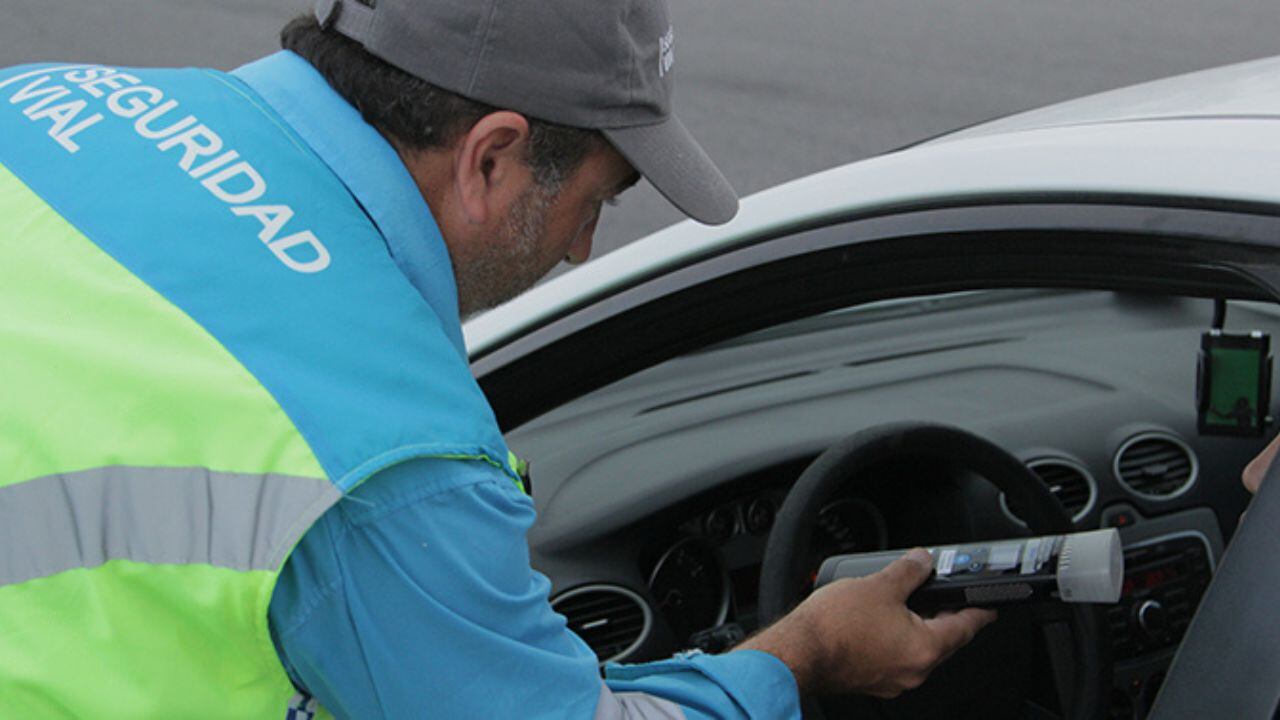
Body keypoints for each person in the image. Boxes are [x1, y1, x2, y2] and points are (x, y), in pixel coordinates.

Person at [0, 1, 994, 717]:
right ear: (490, 157)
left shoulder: (41, 104)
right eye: (595, 202)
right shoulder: (385, 455)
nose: (579, 251)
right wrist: (803, 652)